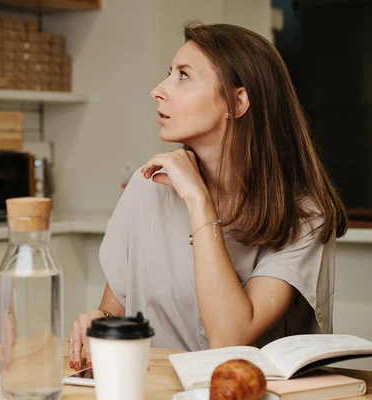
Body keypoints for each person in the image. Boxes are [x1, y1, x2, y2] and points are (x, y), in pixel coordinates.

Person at [68, 22, 348, 370]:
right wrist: (96, 321)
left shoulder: (305, 215)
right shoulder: (148, 186)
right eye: (168, 73)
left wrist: (199, 202)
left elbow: (229, 336)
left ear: (238, 101)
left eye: (183, 76)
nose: (158, 90)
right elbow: (114, 310)